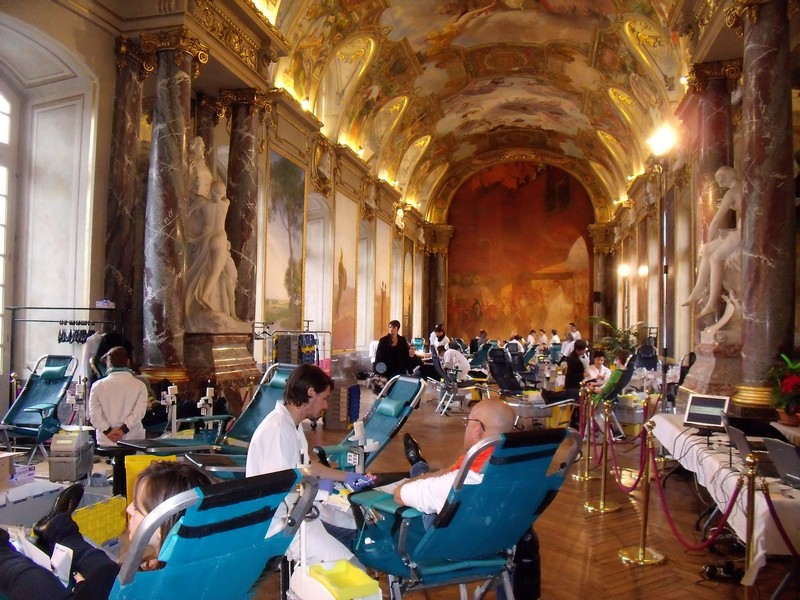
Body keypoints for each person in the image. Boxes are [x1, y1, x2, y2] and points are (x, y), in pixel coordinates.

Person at [0, 461, 211, 600]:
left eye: (137, 508)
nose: (128, 509)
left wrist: (84, 592)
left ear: (161, 527)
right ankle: (58, 524)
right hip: (135, 585)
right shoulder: (202, 561)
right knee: (106, 569)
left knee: (27, 574)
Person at [394, 400, 537, 599]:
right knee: (436, 476)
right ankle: (419, 466)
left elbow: (400, 494)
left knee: (420, 485)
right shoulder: (524, 471)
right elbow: (450, 472)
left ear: (477, 428)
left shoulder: (459, 483)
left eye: (467, 422)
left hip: (453, 548)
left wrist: (411, 484)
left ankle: (418, 465)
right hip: (500, 544)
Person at [245, 364, 372, 565]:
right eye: (324, 398)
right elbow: (278, 486)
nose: (326, 406)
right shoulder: (278, 429)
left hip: (298, 510)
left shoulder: (292, 425)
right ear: (310, 393)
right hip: (279, 523)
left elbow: (307, 466)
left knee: (357, 525)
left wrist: (347, 478)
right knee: (352, 568)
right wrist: (320, 487)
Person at [682, 166, 742, 318]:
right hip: (741, 229)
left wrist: (706, 240)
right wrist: (707, 246)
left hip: (744, 230)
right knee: (708, 250)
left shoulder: (731, 192)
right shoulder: (744, 187)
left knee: (715, 257)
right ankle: (697, 291)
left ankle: (712, 302)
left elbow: (715, 222)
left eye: (718, 180)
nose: (718, 183)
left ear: (724, 177)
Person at [88, 346, 147, 446]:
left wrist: (108, 431)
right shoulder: (140, 385)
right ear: (128, 362)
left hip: (106, 440)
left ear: (108, 363)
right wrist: (122, 431)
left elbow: (94, 416)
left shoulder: (97, 386)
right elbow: (138, 413)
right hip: (133, 440)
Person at [541, 338, 589, 405]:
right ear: (578, 350)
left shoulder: (576, 356)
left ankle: (549, 394)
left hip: (573, 385)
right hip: (573, 385)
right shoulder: (575, 360)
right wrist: (584, 376)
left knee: (566, 394)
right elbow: (574, 376)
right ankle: (549, 395)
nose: (584, 351)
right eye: (583, 350)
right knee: (570, 394)